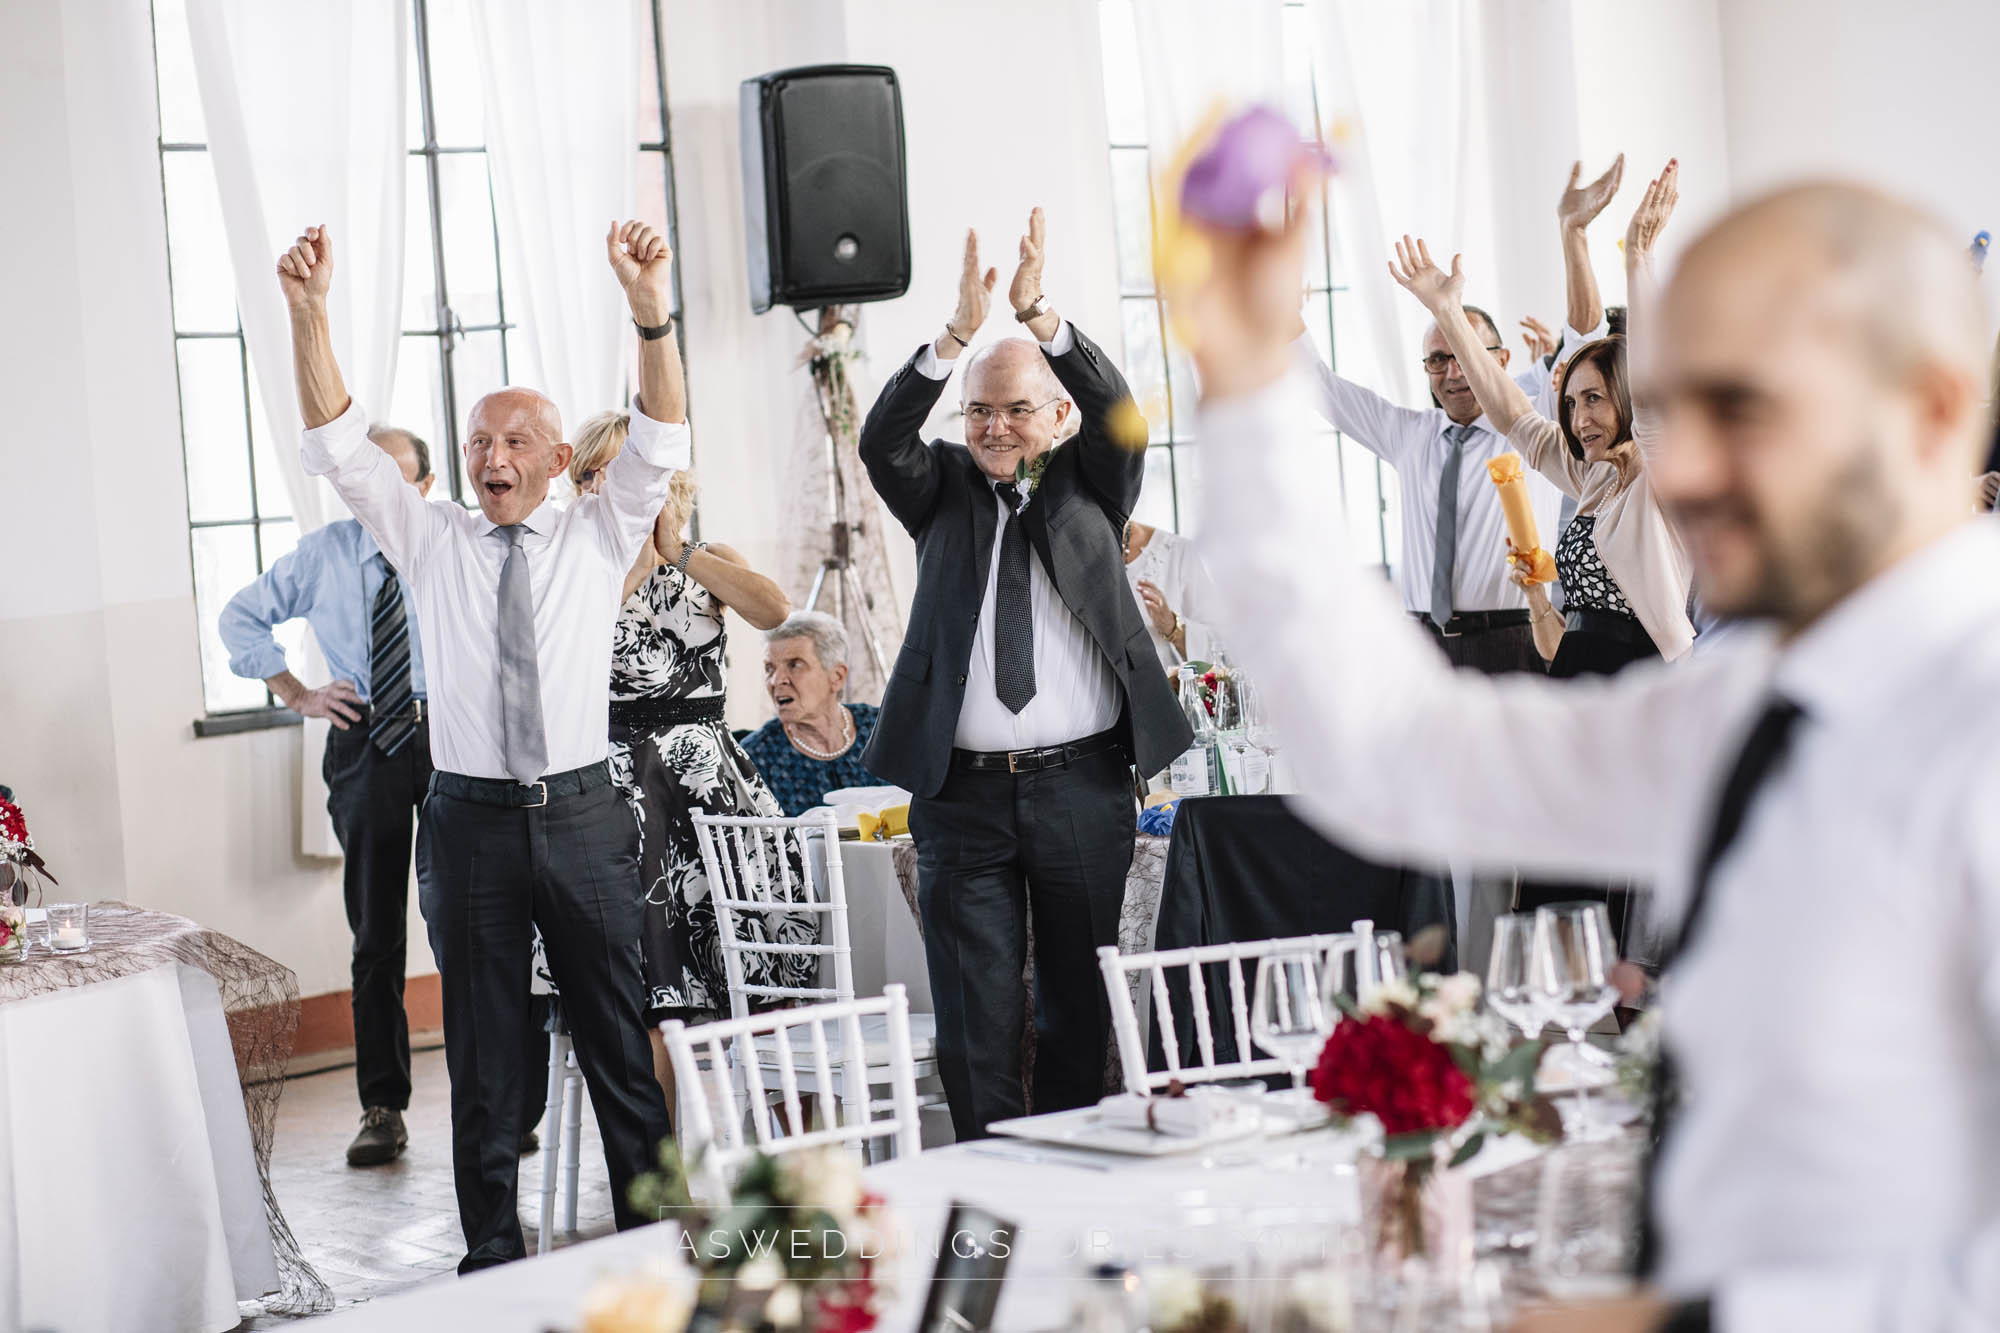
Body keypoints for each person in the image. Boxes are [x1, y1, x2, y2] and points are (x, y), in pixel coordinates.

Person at [1184, 168, 2000, 1331]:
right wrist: (1249, 378)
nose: (1686, 471)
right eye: (1672, 412)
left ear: (1928, 408)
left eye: (1744, 410)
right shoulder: (1740, 706)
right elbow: (1395, 755)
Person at [278, 218, 679, 1272]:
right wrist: (308, 313)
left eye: (513, 444)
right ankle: (491, 1255)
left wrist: (647, 311)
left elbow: (661, 431)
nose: (491, 458)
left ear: (555, 461)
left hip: (587, 817)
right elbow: (335, 439)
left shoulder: (600, 529)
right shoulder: (429, 536)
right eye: (477, 443)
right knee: (486, 1053)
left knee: (615, 1041)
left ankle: (652, 1243)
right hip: (466, 824)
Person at [858, 208, 1191, 1140]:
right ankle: (988, 1187)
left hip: (1082, 786)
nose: (996, 427)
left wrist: (1038, 314)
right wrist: (955, 336)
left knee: (1078, 1009)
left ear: (1058, 414)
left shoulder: (1094, 478)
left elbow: (1125, 413)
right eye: (979, 409)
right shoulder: (941, 489)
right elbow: (883, 441)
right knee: (976, 1019)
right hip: (960, 797)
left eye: (1015, 408)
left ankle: (1068, 1183)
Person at [1297, 157, 1622, 672]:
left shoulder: (1534, 421)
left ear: (1499, 360)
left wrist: (1574, 233)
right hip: (1421, 648)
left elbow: (1585, 340)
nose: (1452, 372)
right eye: (1436, 359)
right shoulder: (1409, 432)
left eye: (1463, 353)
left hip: (1516, 640)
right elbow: (1323, 389)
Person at [563, 410, 807, 1086]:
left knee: (757, 974)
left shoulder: (710, 559)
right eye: (603, 474)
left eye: (639, 473)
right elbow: (560, 658)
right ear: (584, 485)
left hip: (713, 790)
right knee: (655, 988)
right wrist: (627, 561)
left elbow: (774, 610)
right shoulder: (574, 571)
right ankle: (666, 1174)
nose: (620, 487)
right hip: (620, 794)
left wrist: (678, 554)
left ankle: (771, 1157)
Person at [217, 424, 437, 1168]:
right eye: (359, 480)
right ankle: (383, 1106)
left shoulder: (452, 542)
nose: (373, 495)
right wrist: (296, 690)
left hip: (450, 740)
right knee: (376, 936)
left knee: (476, 924)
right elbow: (239, 616)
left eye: (393, 481)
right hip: (364, 741)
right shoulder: (324, 553)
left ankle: (501, 1098)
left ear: (425, 489)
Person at [1386, 160, 1694, 676]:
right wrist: (1447, 312)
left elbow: (1652, 387)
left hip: (1643, 687)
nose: (1578, 419)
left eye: (1593, 399)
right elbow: (1512, 414)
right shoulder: (1591, 476)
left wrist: (1639, 255)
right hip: (1576, 679)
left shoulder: (1659, 473)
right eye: (1571, 404)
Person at [740, 611, 885, 817]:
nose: (777, 680)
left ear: (836, 677)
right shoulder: (755, 758)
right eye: (770, 668)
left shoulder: (880, 729)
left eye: (795, 664)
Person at [1121, 519, 1223, 671]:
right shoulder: (1076, 555)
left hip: (1164, 690)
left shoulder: (1179, 551)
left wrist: (1173, 627)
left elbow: (1218, 644)